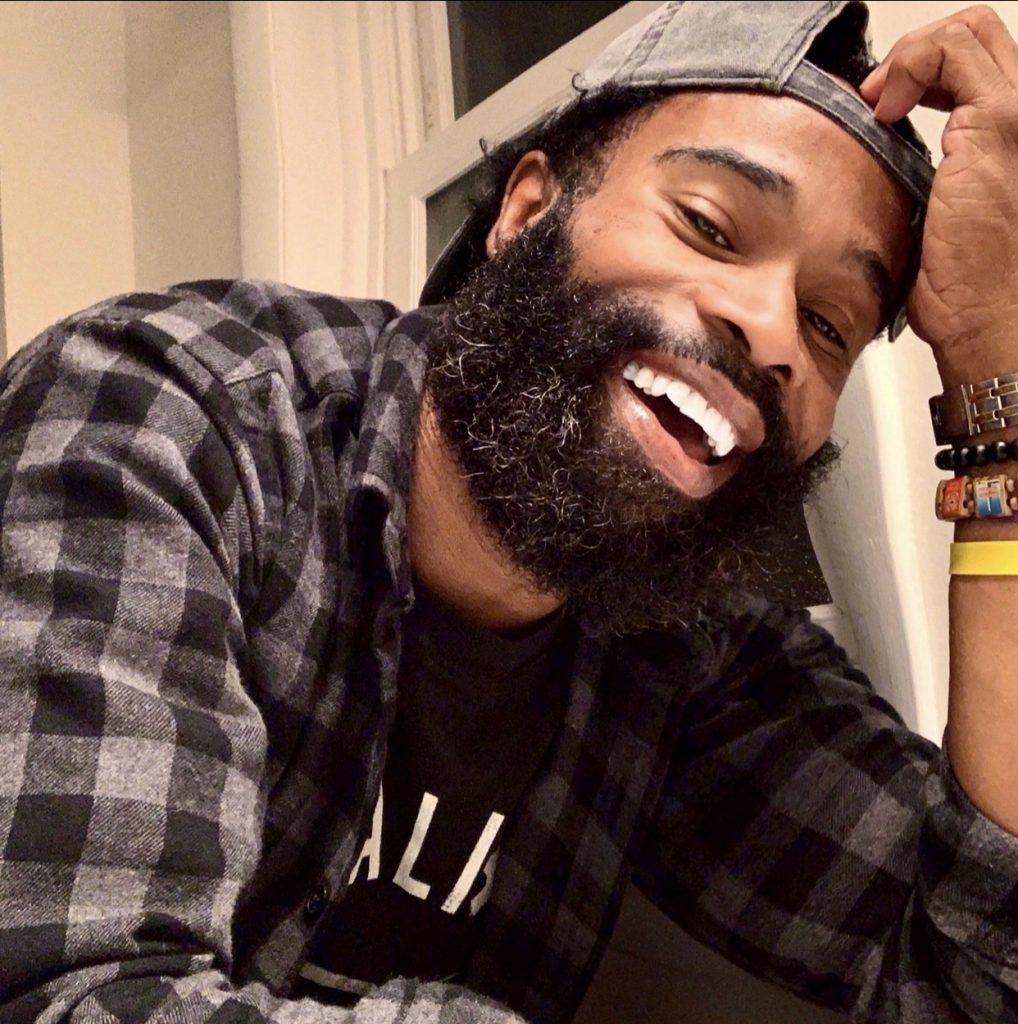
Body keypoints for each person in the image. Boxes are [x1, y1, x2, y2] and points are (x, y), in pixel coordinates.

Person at [3, 1, 1018, 1022]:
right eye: (709, 227)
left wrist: (995, 375)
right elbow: (72, 998)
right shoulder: (168, 415)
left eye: (828, 323)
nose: (769, 330)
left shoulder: (691, 653)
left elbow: (977, 976)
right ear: (529, 210)